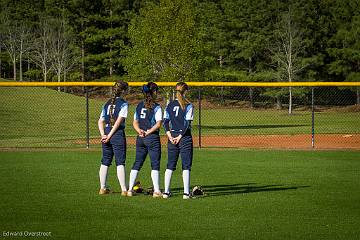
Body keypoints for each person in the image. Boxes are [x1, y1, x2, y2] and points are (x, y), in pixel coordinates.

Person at [127, 82, 163, 198]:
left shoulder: (139, 105)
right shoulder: (156, 107)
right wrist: (148, 131)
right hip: (152, 137)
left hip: (140, 138)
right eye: (156, 91)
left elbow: (135, 122)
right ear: (154, 92)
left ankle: (129, 189)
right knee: (155, 164)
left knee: (137, 162)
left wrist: (139, 131)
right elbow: (158, 124)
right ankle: (156, 191)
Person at [163, 82, 194, 199]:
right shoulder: (188, 105)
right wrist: (180, 136)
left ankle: (166, 192)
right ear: (185, 91)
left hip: (172, 137)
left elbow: (165, 122)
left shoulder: (169, 105)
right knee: (186, 165)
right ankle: (186, 193)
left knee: (170, 165)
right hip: (184, 137)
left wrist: (170, 136)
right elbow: (187, 124)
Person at [98, 80, 129, 196]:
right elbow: (117, 123)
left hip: (106, 132)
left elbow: (100, 121)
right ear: (124, 91)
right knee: (120, 162)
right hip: (117, 134)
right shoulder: (123, 104)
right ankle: (124, 190)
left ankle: (102, 188)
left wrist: (103, 135)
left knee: (105, 161)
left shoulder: (106, 104)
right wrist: (110, 135)